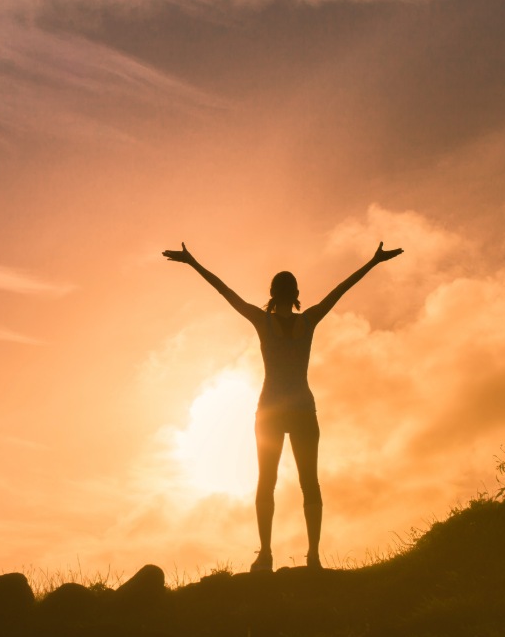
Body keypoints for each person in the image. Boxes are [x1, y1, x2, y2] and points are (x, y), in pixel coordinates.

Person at [162, 241, 404, 571]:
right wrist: (373, 262)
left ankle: (268, 554)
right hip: (299, 410)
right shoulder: (307, 319)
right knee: (307, 483)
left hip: (274, 412)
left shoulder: (264, 320)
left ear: (274, 293)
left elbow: (225, 291)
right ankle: (310, 557)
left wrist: (193, 262)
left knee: (269, 482)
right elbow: (341, 289)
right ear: (294, 293)